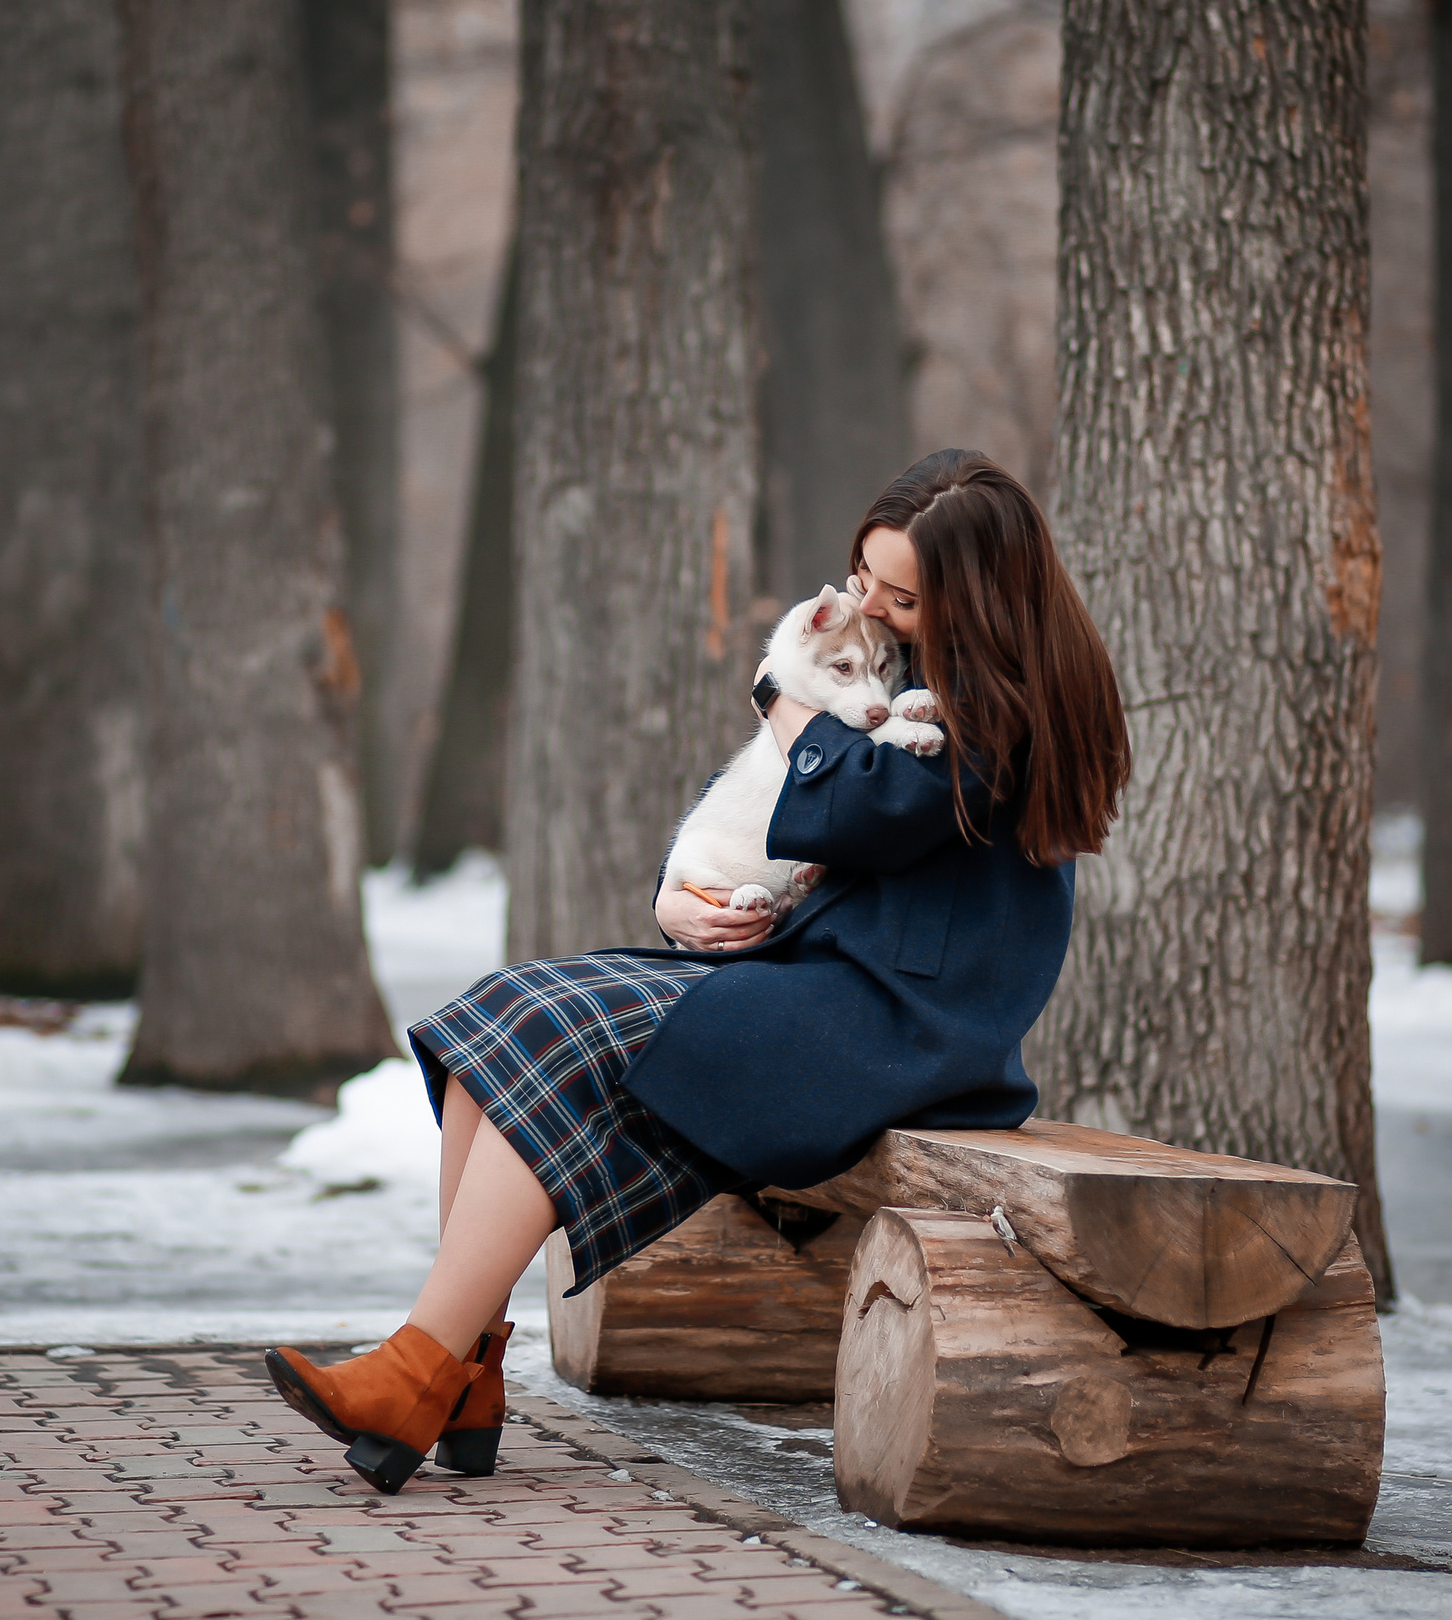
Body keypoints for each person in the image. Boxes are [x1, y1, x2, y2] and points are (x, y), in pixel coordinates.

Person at [267, 449, 1133, 1493]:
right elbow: (784, 816)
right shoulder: (918, 681)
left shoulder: (999, 714)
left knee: (558, 1031)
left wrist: (780, 691)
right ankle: (456, 1366)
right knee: (504, 1013)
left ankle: (422, 1367)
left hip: (899, 1033)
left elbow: (859, 807)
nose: (869, 607)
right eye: (865, 579)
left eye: (900, 596)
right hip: (824, 982)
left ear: (975, 598)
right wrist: (685, 898)